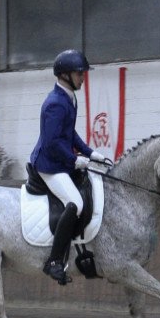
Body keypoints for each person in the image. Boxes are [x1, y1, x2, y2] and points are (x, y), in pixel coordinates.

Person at [29, 49, 105, 285]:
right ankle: (53, 262)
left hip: (61, 161)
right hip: (49, 165)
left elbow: (69, 133)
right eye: (79, 73)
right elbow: (52, 143)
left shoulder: (68, 97)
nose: (83, 77)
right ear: (64, 75)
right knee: (76, 204)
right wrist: (74, 160)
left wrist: (90, 152)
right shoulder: (55, 103)